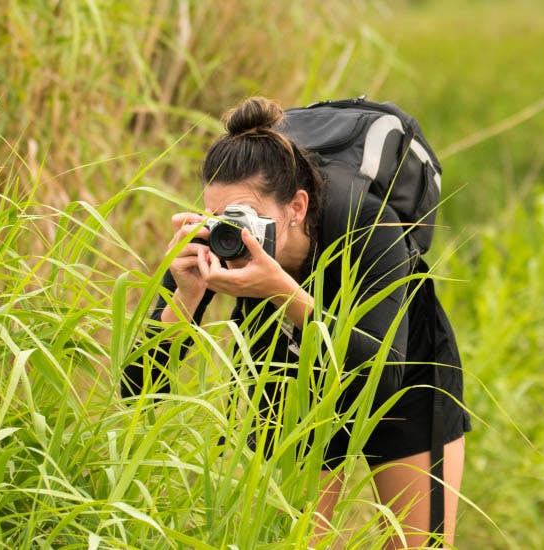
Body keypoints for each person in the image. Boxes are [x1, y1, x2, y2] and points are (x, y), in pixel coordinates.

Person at [121, 96, 470, 548]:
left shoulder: (366, 220)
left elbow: (381, 378)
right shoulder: (217, 240)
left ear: (298, 207)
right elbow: (137, 389)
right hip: (288, 369)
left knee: (421, 546)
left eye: (248, 216)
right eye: (222, 216)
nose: (236, 233)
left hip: (400, 360)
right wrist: (185, 298)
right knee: (291, 541)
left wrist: (281, 291)